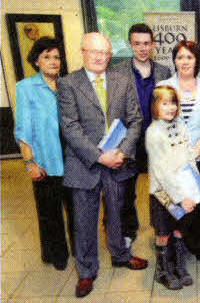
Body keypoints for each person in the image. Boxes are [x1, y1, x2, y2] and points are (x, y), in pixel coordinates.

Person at [58, 32, 148, 298]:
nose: (100, 57)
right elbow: (70, 127)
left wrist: (123, 151)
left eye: (105, 52)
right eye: (94, 51)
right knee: (84, 222)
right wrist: (99, 156)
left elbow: (135, 119)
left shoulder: (123, 80)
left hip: (118, 162)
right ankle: (86, 272)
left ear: (110, 55)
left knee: (118, 214)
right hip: (84, 164)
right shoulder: (68, 83)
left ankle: (121, 254)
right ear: (83, 52)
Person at [157, 40, 200, 260]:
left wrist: (191, 156)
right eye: (180, 57)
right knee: (177, 203)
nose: (185, 61)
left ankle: (198, 245)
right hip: (172, 160)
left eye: (189, 57)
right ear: (174, 60)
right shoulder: (164, 87)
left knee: (198, 204)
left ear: (197, 61)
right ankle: (178, 247)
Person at [14, 37, 70, 271]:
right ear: (36, 61)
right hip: (45, 162)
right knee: (50, 214)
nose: (53, 61)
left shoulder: (66, 86)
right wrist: (30, 163)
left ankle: (77, 249)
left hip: (70, 159)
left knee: (74, 211)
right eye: (47, 57)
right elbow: (23, 129)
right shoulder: (26, 87)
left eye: (56, 57)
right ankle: (56, 254)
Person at [113, 23, 171, 246]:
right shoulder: (117, 71)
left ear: (153, 44)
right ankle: (128, 231)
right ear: (131, 44)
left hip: (157, 142)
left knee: (161, 188)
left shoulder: (164, 72)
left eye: (147, 43)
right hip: (129, 141)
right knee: (126, 190)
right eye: (137, 44)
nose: (142, 48)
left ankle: (163, 230)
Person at [146, 85, 200, 290]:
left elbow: (189, 155)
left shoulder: (180, 125)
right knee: (164, 232)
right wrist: (181, 198)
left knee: (180, 229)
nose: (170, 107)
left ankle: (179, 266)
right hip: (163, 193)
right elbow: (162, 172)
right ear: (155, 106)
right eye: (164, 103)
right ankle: (163, 271)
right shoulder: (153, 132)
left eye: (173, 102)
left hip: (184, 188)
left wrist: (198, 188)